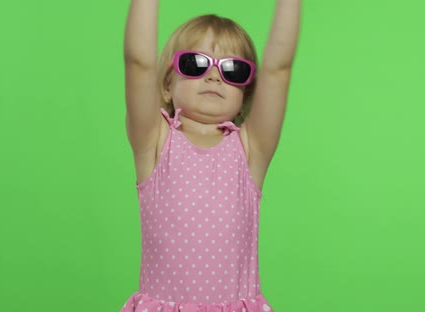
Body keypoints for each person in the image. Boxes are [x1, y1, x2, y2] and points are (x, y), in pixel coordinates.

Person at [121, 0, 301, 311]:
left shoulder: (250, 150)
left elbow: (278, 70)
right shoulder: (154, 142)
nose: (215, 77)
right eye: (195, 64)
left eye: (234, 70)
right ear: (165, 84)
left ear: (246, 94)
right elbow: (139, 63)